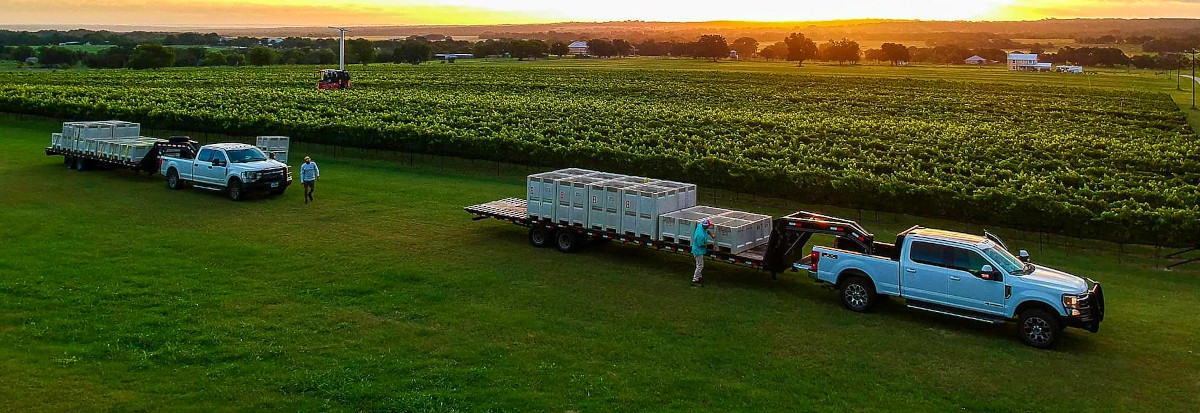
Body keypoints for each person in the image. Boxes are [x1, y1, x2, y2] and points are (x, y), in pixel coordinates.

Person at [691, 219, 716, 287]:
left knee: (698, 264)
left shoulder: (700, 226)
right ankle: (695, 280)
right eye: (708, 226)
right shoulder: (700, 235)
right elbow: (701, 245)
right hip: (698, 251)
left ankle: (699, 277)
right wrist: (710, 244)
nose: (709, 227)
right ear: (705, 226)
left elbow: (707, 231)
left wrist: (712, 235)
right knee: (700, 265)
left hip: (697, 249)